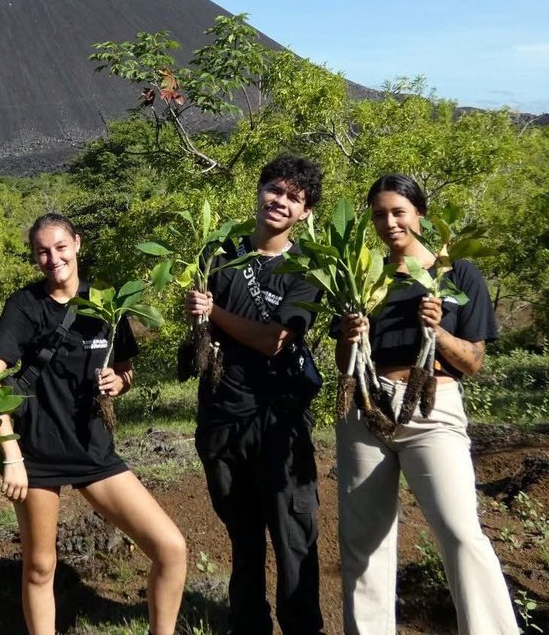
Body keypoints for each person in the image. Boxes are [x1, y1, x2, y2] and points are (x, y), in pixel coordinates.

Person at [0, 213, 187, 635]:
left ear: (77, 244)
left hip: (94, 451)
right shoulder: (25, 305)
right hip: (37, 454)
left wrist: (120, 381)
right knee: (41, 566)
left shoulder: (105, 305)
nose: (52, 258)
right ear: (34, 256)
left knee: (170, 548)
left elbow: (125, 369)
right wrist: (11, 454)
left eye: (60, 247)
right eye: (42, 251)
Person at [337, 174, 518, 635]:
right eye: (379, 214)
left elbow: (474, 361)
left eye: (398, 211)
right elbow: (346, 362)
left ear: (420, 214)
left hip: (432, 411)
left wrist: (437, 333)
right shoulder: (366, 276)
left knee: (460, 532)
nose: (389, 222)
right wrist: (349, 336)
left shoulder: (455, 274)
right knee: (364, 542)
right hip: (368, 406)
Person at [184, 156, 326, 635]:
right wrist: (198, 314)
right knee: (243, 539)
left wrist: (213, 312)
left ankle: (302, 627)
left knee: (293, 537)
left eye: (293, 197)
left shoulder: (308, 270)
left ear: (305, 212)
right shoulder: (218, 254)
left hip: (280, 422)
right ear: (259, 190)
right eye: (274, 190)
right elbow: (201, 335)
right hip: (223, 417)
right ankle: (247, 626)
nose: (280, 201)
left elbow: (274, 339)